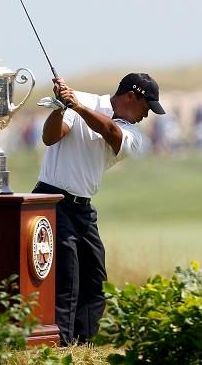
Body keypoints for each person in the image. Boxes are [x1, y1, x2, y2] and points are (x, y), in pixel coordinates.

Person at [32, 72, 165, 345]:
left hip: (83, 208)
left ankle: (84, 345)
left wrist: (76, 106)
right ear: (131, 96)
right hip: (52, 200)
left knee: (95, 279)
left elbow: (110, 132)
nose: (146, 116)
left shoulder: (131, 133)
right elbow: (51, 137)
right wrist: (61, 108)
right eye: (146, 107)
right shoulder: (78, 99)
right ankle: (61, 347)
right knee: (67, 276)